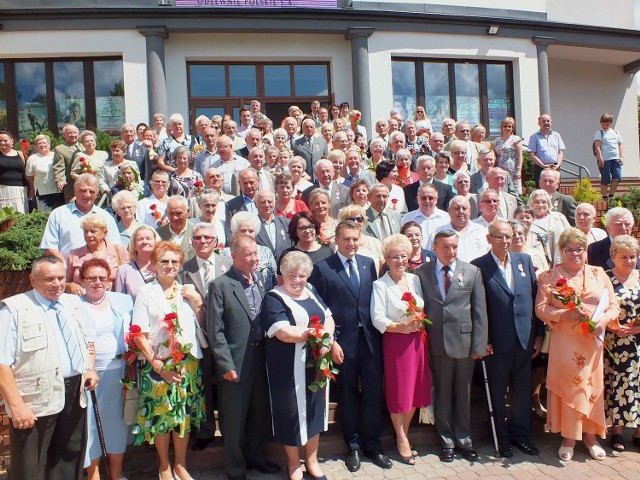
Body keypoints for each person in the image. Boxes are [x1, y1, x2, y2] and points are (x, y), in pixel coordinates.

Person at [0, 255, 98, 480]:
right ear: (33, 280)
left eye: (61, 278)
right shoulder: (14, 310)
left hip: (75, 394)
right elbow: (2, 363)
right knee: (30, 468)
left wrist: (90, 369)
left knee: (68, 460)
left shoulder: (73, 304)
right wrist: (16, 406)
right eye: (49, 278)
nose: (57, 284)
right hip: (34, 401)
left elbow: (88, 343)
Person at [309, 221, 391, 472]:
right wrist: (331, 342)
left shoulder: (368, 265)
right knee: (347, 395)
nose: (351, 244)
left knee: (372, 394)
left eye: (355, 239)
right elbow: (320, 311)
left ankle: (373, 445)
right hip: (342, 344)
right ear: (336, 239)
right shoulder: (323, 269)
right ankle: (353, 446)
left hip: (370, 341)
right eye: (346, 239)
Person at [535, 228, 620, 461]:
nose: (574, 254)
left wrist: (602, 322)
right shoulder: (548, 277)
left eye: (579, 249)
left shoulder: (599, 273)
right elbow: (541, 309)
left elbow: (613, 306)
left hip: (591, 343)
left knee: (591, 389)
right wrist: (564, 314)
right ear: (561, 252)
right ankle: (569, 437)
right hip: (564, 342)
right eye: (568, 250)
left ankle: (591, 436)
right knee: (570, 388)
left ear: (586, 251)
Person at [208, 235, 281, 480]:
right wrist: (225, 364)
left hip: (261, 357)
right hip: (235, 361)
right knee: (234, 417)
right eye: (249, 254)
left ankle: (257, 457)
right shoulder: (220, 285)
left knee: (259, 413)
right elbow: (215, 330)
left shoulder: (260, 279)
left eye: (256, 254)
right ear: (234, 256)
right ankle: (236, 467)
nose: (254, 259)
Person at [131, 241, 205, 480]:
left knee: (182, 414)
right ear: (154, 265)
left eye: (174, 261)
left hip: (186, 364)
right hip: (159, 364)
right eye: (164, 261)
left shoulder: (186, 291)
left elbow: (201, 328)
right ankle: (164, 465)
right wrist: (158, 365)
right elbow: (138, 334)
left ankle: (181, 464)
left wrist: (197, 303)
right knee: (162, 416)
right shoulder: (146, 292)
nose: (170, 266)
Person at [260, 251, 335, 480]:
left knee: (315, 410)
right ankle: (293, 464)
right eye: (292, 274)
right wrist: (313, 335)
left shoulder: (311, 292)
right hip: (287, 369)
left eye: (302, 275)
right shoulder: (274, 297)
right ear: (282, 274)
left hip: (316, 366)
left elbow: (328, 317)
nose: (297, 280)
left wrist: (328, 339)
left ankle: (312, 461)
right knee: (290, 413)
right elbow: (281, 331)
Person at [471, 220, 542, 458]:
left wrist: (539, 335)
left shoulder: (525, 261)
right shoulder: (478, 267)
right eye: (499, 237)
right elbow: (477, 308)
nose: (505, 241)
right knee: (498, 392)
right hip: (496, 343)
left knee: (522, 393)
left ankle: (521, 436)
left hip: (524, 339)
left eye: (508, 236)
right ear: (489, 238)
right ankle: (501, 438)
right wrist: (482, 339)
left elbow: (535, 300)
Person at [415, 230, 488, 463]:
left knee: (463, 393)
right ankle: (446, 440)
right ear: (435, 248)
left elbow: (479, 312)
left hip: (465, 343)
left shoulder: (472, 271)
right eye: (446, 247)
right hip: (437, 341)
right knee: (443, 393)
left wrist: (479, 344)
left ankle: (465, 439)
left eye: (455, 247)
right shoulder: (421, 273)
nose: (451, 252)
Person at [371, 234, 431, 465]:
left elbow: (422, 307)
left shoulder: (414, 280)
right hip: (396, 343)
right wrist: (401, 327)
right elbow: (377, 318)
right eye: (394, 256)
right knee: (399, 391)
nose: (399, 260)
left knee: (415, 390)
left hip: (418, 341)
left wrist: (417, 322)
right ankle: (401, 438)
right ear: (386, 259)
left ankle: (403, 432)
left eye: (403, 256)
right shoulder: (380, 285)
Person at [178, 222, 232, 452]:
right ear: (191, 242)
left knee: (228, 387)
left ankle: (231, 431)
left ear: (216, 241)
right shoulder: (182, 270)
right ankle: (206, 430)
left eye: (207, 238)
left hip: (227, 337)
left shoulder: (228, 265)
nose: (202, 242)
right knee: (204, 389)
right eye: (197, 238)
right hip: (198, 338)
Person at [79, 259, 132, 480]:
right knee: (89, 427)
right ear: (82, 280)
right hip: (87, 376)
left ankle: (116, 475)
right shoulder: (73, 304)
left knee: (116, 426)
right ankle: (94, 476)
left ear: (109, 281)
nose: (98, 282)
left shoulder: (123, 301)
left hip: (117, 373)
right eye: (92, 278)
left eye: (102, 278)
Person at [604, 235, 640, 452]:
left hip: (638, 340)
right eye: (624, 257)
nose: (629, 261)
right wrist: (612, 326)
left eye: (633, 257)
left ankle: (638, 430)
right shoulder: (605, 279)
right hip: (615, 342)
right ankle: (616, 431)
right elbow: (598, 310)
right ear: (613, 257)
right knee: (617, 384)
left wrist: (637, 328)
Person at [41, 173, 121, 259]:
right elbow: (50, 248)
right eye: (83, 190)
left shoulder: (106, 217)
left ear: (97, 194)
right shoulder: (58, 214)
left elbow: (115, 248)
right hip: (66, 269)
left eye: (91, 191)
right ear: (75, 191)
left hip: (99, 270)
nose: (87, 195)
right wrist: (68, 268)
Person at [65, 214, 130, 295]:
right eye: (85, 231)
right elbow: (65, 283)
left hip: (112, 300)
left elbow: (130, 279)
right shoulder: (74, 254)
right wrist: (71, 286)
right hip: (83, 301)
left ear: (105, 232)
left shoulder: (119, 251)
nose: (88, 235)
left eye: (93, 231)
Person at [220, 212, 278, 291]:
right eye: (243, 231)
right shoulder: (225, 253)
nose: (247, 234)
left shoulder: (266, 251)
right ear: (234, 232)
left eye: (251, 231)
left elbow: (275, 279)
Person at [430, 196, 489, 262]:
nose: (461, 211)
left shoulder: (481, 231)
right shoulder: (439, 232)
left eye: (464, 208)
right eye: (457, 208)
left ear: (470, 211)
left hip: (480, 271)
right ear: (449, 211)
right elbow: (430, 256)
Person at [277, 212, 334, 277]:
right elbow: (281, 282)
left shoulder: (327, 252)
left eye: (310, 227)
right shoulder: (287, 254)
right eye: (302, 228)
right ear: (295, 232)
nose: (307, 231)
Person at [528, 189, 571, 266]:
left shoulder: (559, 218)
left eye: (544, 202)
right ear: (531, 204)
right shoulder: (528, 221)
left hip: (560, 261)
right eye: (536, 202)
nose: (540, 205)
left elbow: (570, 237)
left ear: (548, 203)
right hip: (539, 263)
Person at [115, 225, 159, 300]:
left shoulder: (164, 266)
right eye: (140, 239)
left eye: (148, 238)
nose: (145, 241)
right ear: (134, 244)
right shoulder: (124, 271)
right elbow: (120, 301)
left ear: (155, 242)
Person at [402, 184, 450, 249]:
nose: (427, 201)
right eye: (423, 198)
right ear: (418, 199)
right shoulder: (407, 218)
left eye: (431, 198)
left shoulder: (446, 218)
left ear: (436, 199)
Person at [26, 133, 64, 211]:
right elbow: (29, 177)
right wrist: (32, 192)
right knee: (45, 217)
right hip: (42, 193)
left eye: (44, 143)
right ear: (36, 146)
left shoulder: (56, 155)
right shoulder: (32, 158)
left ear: (49, 144)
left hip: (59, 191)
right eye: (39, 143)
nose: (42, 145)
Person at [339, 204, 383, 270]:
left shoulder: (375, 243)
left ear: (364, 221)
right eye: (351, 220)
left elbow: (382, 269)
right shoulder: (338, 244)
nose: (356, 222)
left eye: (359, 219)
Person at [256, 189, 293, 262]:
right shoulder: (251, 226)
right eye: (263, 202)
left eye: (269, 202)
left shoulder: (287, 223)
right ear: (256, 204)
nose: (267, 205)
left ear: (274, 203)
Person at [528, 114, 565, 187]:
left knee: (555, 188)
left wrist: (558, 165)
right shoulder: (534, 137)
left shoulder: (556, 135)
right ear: (539, 123)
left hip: (554, 167)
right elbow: (532, 154)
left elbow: (560, 152)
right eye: (543, 121)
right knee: (541, 189)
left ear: (551, 122)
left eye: (548, 121)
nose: (546, 123)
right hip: (540, 167)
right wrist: (543, 166)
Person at [156, 195, 195, 261]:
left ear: (188, 212)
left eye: (178, 213)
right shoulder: (158, 234)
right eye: (171, 213)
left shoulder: (196, 232)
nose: (175, 217)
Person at [594, 112, 624, 199]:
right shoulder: (599, 133)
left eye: (607, 124)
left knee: (617, 177)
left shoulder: (615, 132)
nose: (605, 126)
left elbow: (620, 144)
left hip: (615, 159)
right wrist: (600, 159)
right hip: (605, 159)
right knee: (605, 179)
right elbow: (597, 147)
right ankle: (604, 196)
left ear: (611, 123)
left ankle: (611, 195)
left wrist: (622, 157)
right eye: (603, 124)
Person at [0, 129, 29, 213]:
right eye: (0, 140)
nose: (2, 143)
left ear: (12, 141)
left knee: (20, 213)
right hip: (2, 190)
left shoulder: (20, 154)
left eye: (5, 140)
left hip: (19, 190)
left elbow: (27, 172)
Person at [52, 124, 83, 202]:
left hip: (88, 184)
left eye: (75, 132)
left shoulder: (84, 146)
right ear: (64, 135)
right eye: (69, 133)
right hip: (71, 187)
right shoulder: (60, 149)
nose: (73, 135)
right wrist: (60, 180)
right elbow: (59, 167)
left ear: (79, 134)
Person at [493, 117, 523, 195]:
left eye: (510, 126)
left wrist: (518, 170)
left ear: (512, 128)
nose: (507, 128)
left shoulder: (516, 139)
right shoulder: (496, 141)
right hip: (501, 170)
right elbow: (494, 156)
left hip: (512, 170)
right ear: (501, 128)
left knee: (514, 193)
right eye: (505, 126)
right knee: (502, 192)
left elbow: (520, 156)